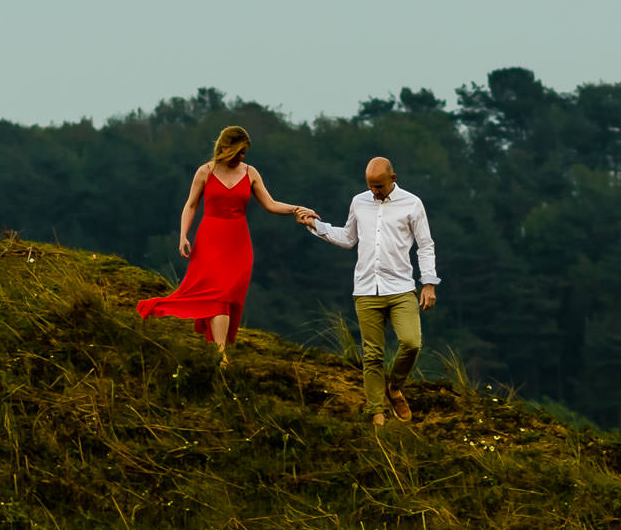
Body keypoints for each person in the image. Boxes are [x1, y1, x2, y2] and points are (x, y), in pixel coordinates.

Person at [136, 125, 316, 362]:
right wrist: (183, 235)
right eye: (238, 152)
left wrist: (296, 209)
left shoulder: (251, 173)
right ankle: (220, 356)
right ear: (224, 147)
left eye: (244, 153)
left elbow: (270, 204)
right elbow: (190, 205)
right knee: (218, 294)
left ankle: (220, 351)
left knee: (229, 295)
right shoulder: (205, 171)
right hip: (210, 238)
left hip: (239, 243)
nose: (242, 157)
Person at [303, 156, 439, 425]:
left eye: (379, 186)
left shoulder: (412, 203)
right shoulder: (359, 202)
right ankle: (376, 411)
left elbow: (425, 245)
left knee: (411, 342)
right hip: (366, 289)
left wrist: (429, 283)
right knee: (372, 354)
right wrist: (316, 226)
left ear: (393, 178)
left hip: (401, 287)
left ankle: (395, 387)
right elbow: (349, 238)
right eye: (370, 186)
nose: (374, 191)